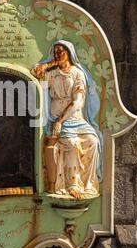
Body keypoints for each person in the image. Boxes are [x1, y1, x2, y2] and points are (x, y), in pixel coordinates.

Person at [31, 40, 102, 199]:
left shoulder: (77, 73)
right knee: (71, 143)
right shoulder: (52, 73)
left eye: (61, 52)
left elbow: (78, 101)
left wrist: (61, 120)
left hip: (73, 118)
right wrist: (52, 62)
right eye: (55, 52)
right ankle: (72, 184)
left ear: (69, 53)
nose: (58, 54)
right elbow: (36, 71)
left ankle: (88, 183)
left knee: (93, 141)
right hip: (56, 118)